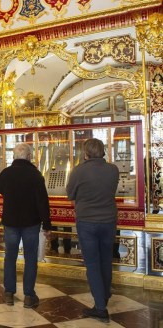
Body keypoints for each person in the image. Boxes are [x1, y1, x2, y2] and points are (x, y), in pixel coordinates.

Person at [66, 138, 119, 323]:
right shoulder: (113, 170)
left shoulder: (79, 171)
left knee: (92, 264)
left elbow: (70, 194)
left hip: (87, 222)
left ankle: (100, 307)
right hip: (109, 221)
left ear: (85, 153)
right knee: (106, 259)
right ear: (102, 151)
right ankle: (104, 295)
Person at [0, 143, 51, 309]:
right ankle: (29, 295)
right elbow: (42, 202)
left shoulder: (5, 174)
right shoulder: (35, 175)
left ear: (14, 156)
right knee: (30, 258)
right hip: (31, 223)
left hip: (11, 222)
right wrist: (47, 225)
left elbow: (1, 190)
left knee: (10, 257)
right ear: (29, 157)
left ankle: (8, 294)